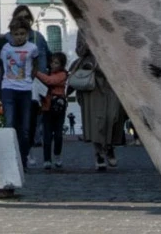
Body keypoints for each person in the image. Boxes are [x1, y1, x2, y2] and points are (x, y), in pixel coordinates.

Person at [73, 36, 124, 172]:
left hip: (113, 73)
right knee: (95, 117)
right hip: (93, 75)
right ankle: (99, 152)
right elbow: (79, 51)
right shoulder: (83, 26)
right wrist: (89, 43)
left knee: (113, 115)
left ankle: (109, 146)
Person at [0, 20, 42, 170]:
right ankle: (10, 158)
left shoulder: (32, 48)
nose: (19, 37)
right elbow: (3, 66)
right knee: (9, 124)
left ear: (27, 34)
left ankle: (23, 158)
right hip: (8, 89)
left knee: (25, 128)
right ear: (11, 35)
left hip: (25, 90)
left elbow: (36, 64)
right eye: (16, 34)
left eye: (22, 34)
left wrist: (30, 78)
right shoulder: (6, 49)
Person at [35, 52, 69, 170]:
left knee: (58, 134)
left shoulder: (62, 74)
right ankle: (47, 159)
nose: (53, 65)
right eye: (52, 62)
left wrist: (36, 72)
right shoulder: (47, 73)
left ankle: (57, 155)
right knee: (47, 134)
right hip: (47, 106)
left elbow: (50, 81)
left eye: (56, 63)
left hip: (58, 107)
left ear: (61, 65)